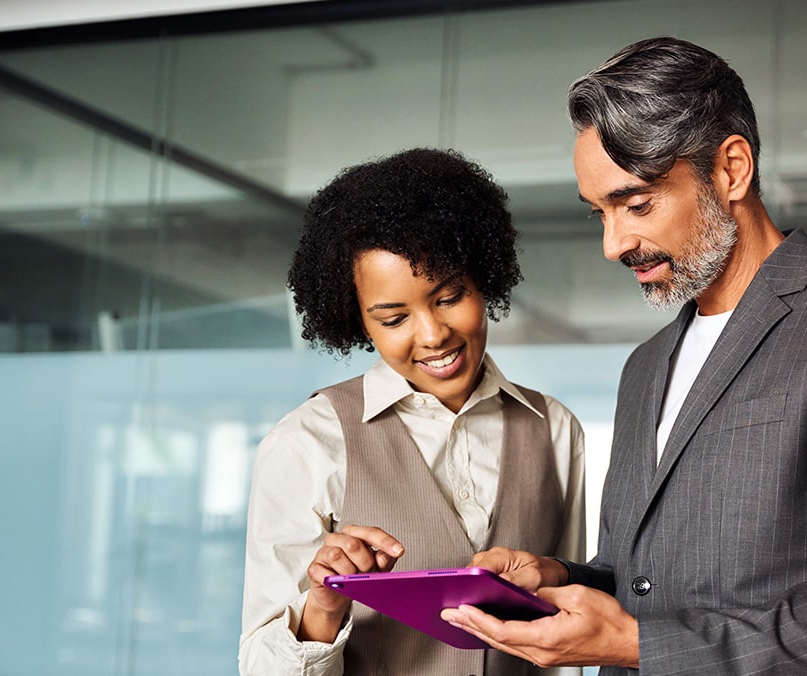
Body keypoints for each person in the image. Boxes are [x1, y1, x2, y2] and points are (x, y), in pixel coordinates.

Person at [441, 36, 807, 674]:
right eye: (599, 213)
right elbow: (643, 582)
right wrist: (558, 577)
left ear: (731, 169)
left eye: (636, 204)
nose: (613, 244)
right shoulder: (645, 365)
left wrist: (634, 645)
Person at [238, 147, 586, 675]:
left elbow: (569, 639)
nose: (432, 335)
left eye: (449, 297)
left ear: (482, 279)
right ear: (358, 321)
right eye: (393, 319)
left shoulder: (554, 428)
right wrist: (323, 607)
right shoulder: (307, 443)